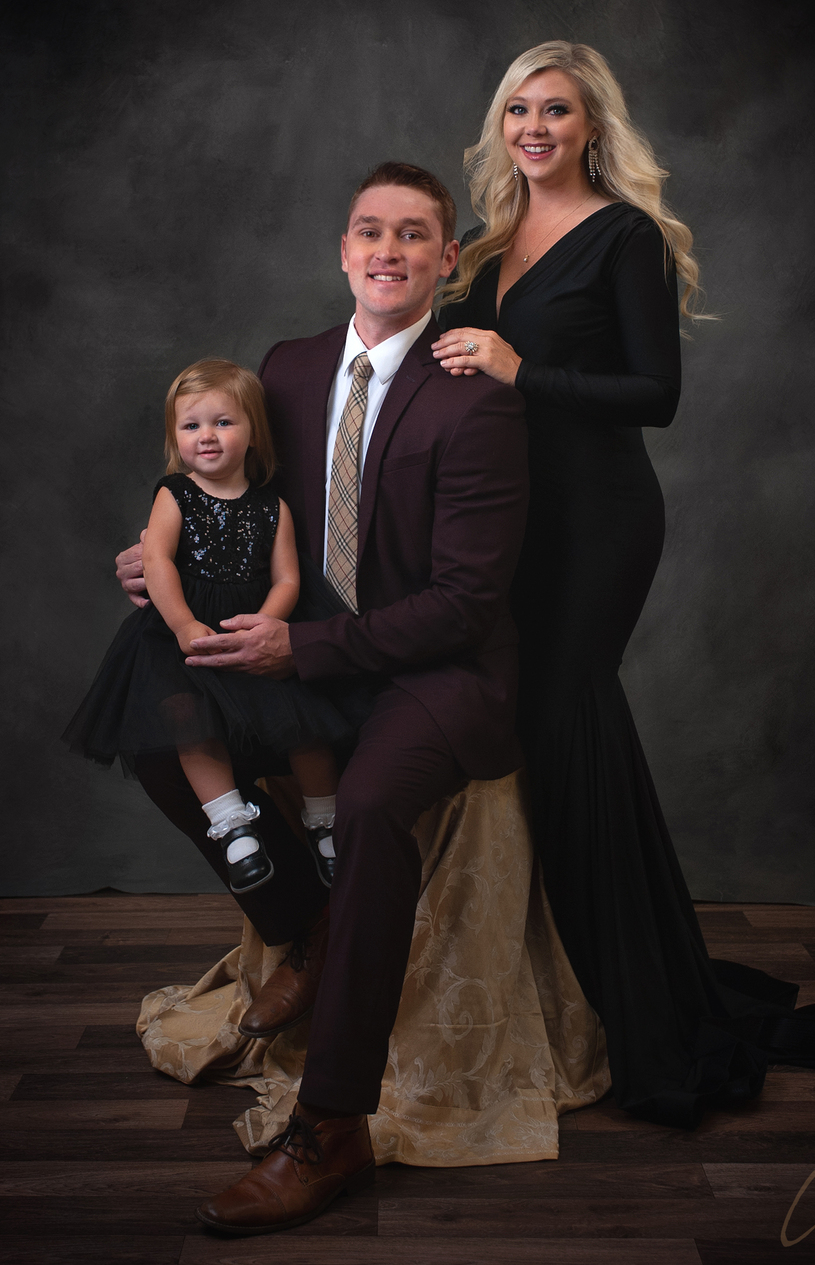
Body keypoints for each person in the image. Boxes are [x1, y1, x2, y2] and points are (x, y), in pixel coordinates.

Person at [436, 41, 815, 1128]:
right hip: (508, 526)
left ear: (593, 125)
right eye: (518, 109)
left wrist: (519, 369)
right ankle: (589, 977)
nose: (534, 128)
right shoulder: (488, 243)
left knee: (564, 729)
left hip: (597, 522)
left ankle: (636, 1001)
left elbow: (656, 393)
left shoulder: (626, 236)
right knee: (553, 737)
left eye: (556, 109)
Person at [115, 162, 529, 1230]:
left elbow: (466, 603)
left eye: (414, 234)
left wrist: (302, 647)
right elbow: (248, 504)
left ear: (447, 259)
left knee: (374, 800)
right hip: (315, 649)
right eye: (368, 231)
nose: (388, 250)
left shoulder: (474, 396)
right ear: (342, 251)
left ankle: (330, 1125)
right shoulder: (290, 369)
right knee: (159, 732)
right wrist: (172, 557)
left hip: (435, 669)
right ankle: (303, 922)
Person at [64, 359, 370, 892]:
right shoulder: (174, 494)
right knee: (191, 722)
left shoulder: (273, 507)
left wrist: (267, 621)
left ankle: (325, 823)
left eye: (223, 422)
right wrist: (184, 624)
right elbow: (157, 561)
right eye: (191, 425)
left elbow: (288, 579)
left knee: (306, 726)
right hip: (187, 636)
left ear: (253, 434)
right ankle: (232, 826)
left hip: (253, 630)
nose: (206, 435)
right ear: (176, 437)